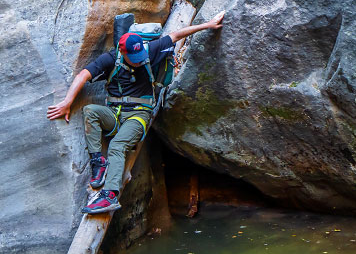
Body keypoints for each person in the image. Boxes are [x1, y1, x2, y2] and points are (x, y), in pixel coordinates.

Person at [47, 12, 225, 214]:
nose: (140, 61)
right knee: (90, 111)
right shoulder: (110, 59)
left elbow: (176, 35)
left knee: (117, 145)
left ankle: (110, 195)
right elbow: (82, 75)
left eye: (141, 57)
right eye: (135, 59)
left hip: (139, 115)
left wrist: (208, 25)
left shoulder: (148, 51)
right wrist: (67, 102)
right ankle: (99, 162)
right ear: (122, 53)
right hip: (114, 115)